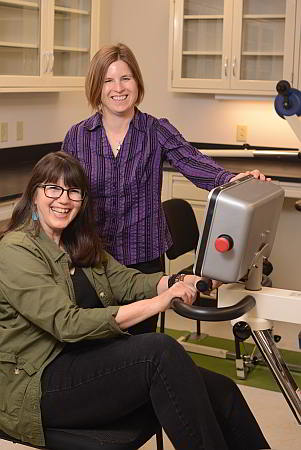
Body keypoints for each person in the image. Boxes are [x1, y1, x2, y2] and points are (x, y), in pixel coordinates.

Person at [0, 152, 270, 450]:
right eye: (53, 188)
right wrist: (160, 302)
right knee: (158, 351)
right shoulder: (16, 249)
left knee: (222, 390)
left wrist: (178, 282)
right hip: (40, 382)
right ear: (34, 194)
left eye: (74, 191)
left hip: (85, 360)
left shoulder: (76, 240)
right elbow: (67, 323)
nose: (64, 200)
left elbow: (127, 281)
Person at [62, 42, 270, 333]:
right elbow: (63, 194)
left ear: (137, 82)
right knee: (95, 344)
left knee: (140, 348)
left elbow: (194, 163)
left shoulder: (155, 130)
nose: (118, 88)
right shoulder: (78, 136)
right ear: (97, 87)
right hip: (92, 261)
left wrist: (235, 180)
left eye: (126, 78)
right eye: (108, 80)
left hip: (143, 262)